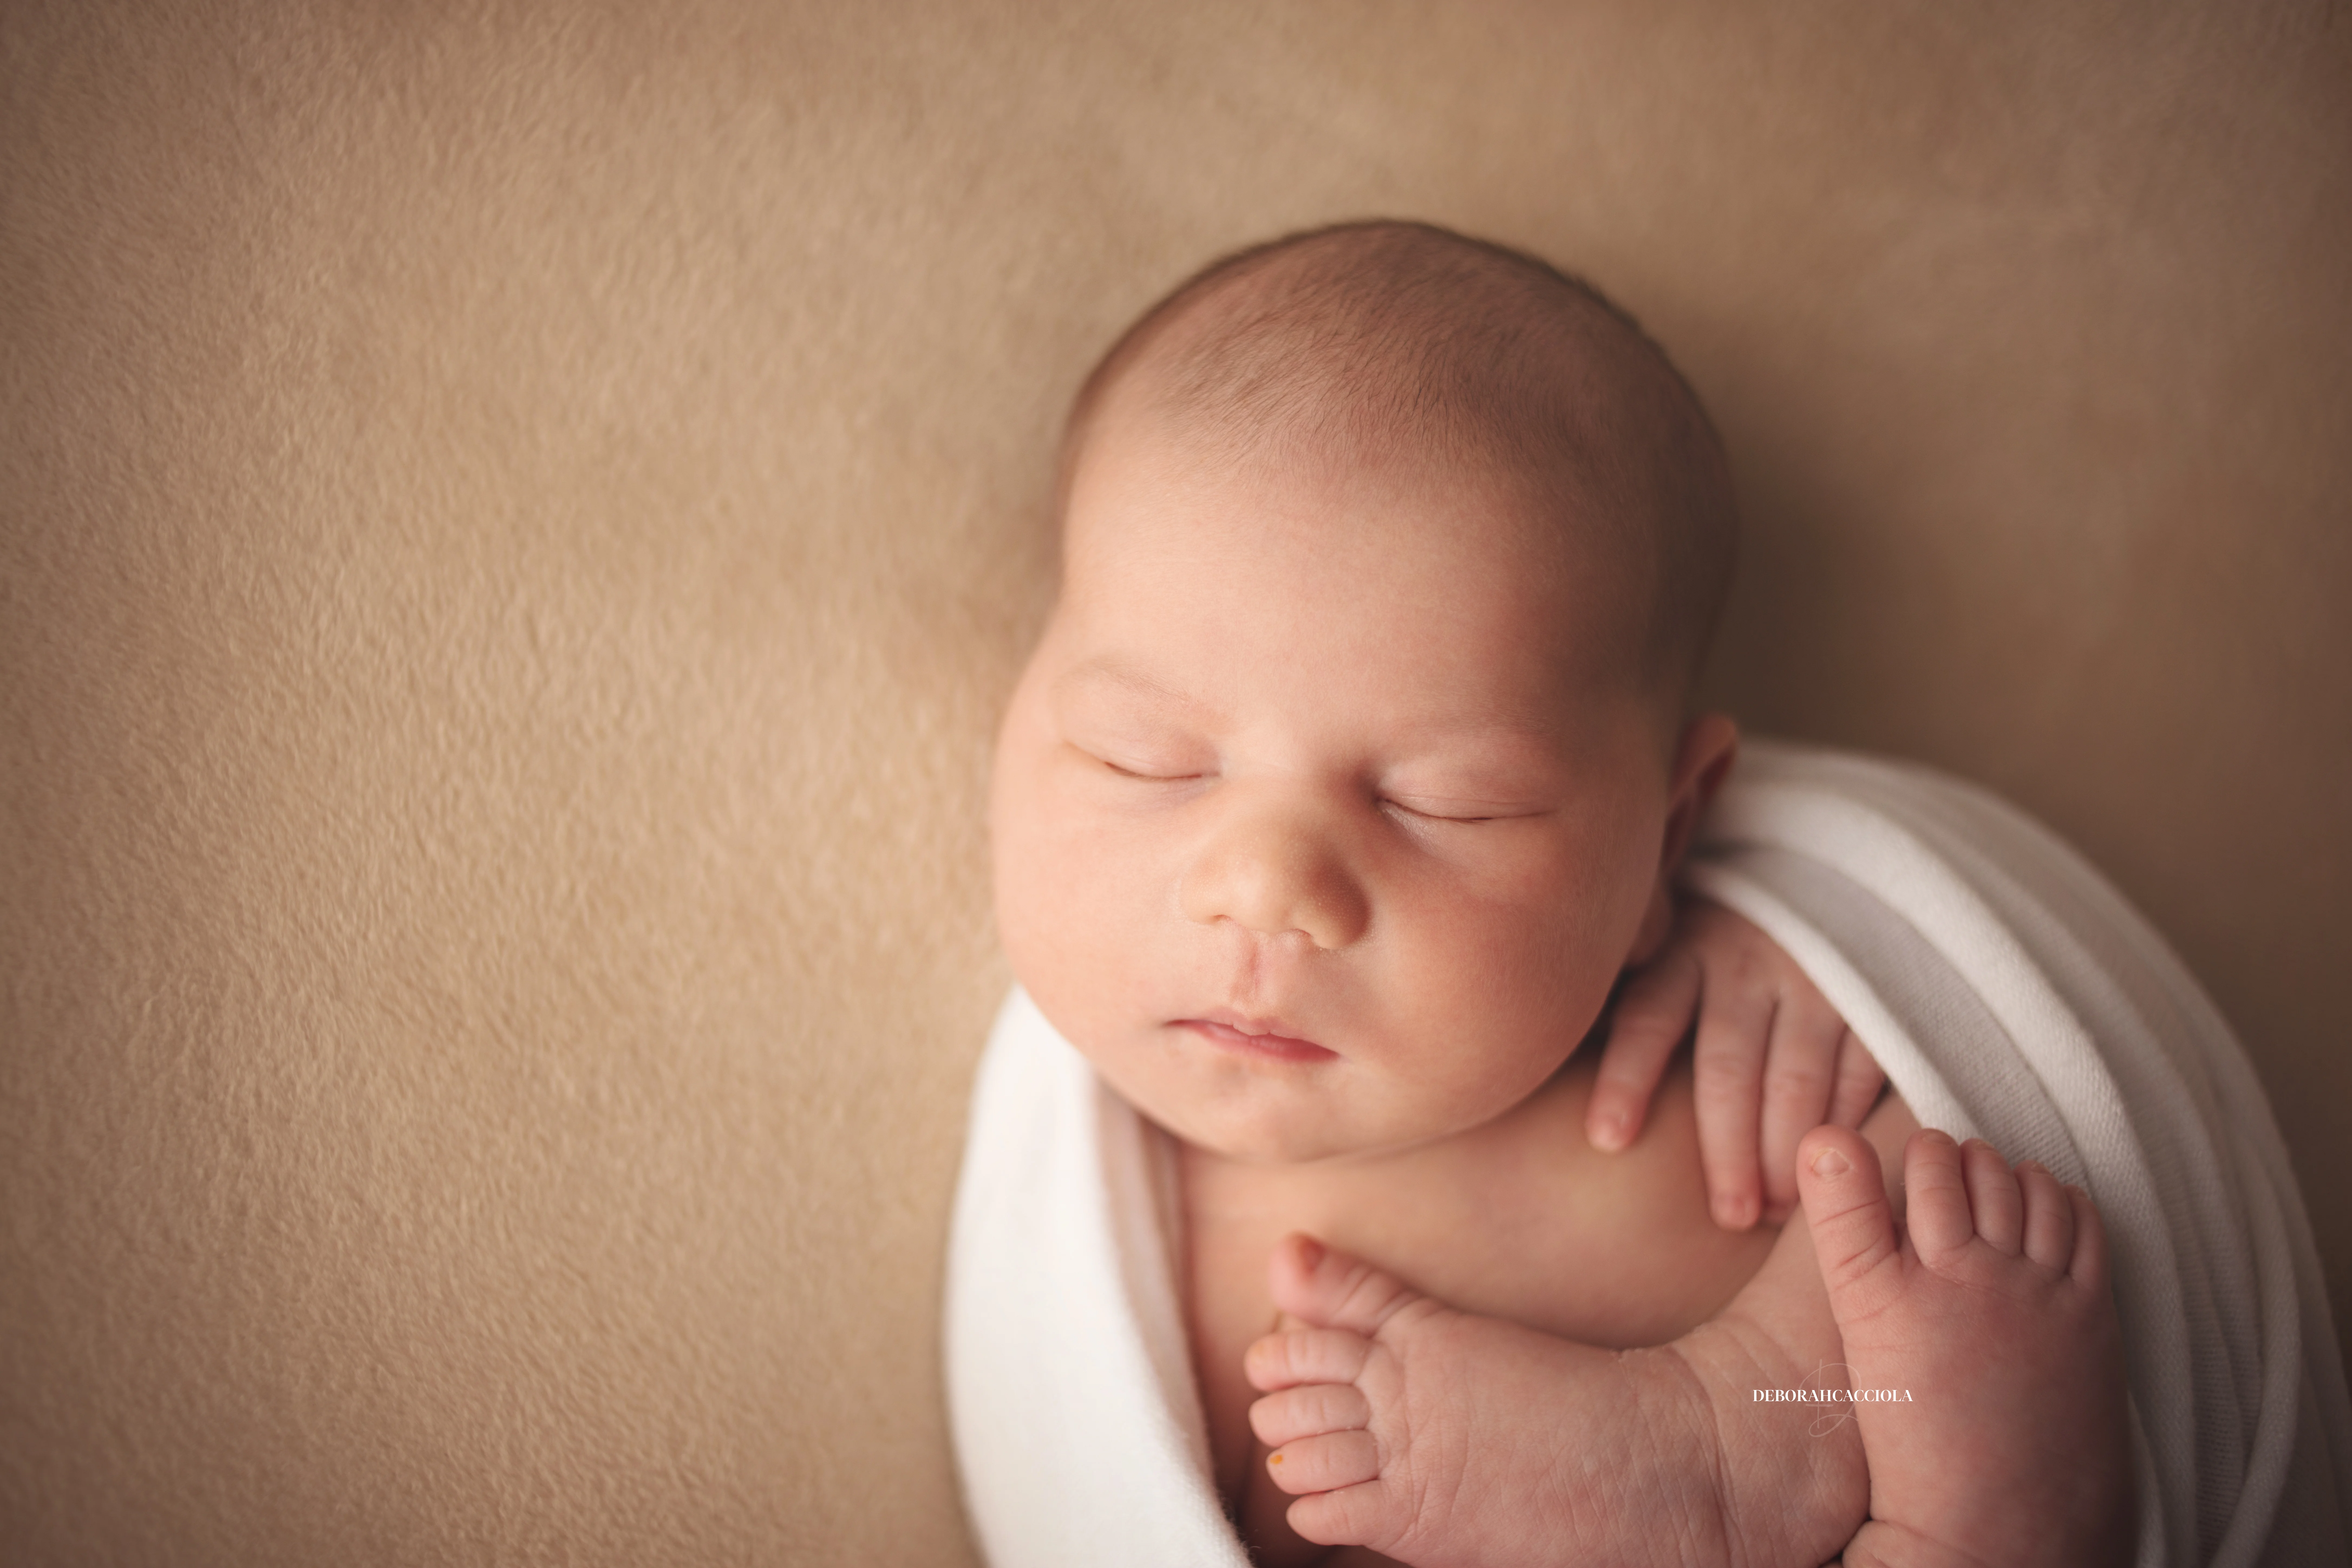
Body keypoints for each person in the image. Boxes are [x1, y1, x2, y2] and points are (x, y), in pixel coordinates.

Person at [986, 218, 2134, 1565]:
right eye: (1149, 757)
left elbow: (2007, 1036)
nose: (1267, 887)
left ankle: (1784, 1443)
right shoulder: (1073, 1261)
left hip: (1856, 1428)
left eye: (1442, 801)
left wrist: (1853, 980)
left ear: (1665, 834)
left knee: (1949, 1229)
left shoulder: (1732, 1063)